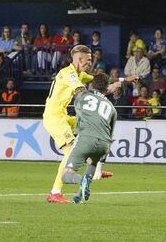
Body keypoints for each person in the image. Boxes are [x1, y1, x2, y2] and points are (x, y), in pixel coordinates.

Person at [43, 45, 111, 204]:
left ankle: (96, 170)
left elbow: (96, 79)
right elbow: (80, 89)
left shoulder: (79, 73)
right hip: (54, 118)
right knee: (70, 151)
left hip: (63, 116)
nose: (90, 63)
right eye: (88, 60)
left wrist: (120, 81)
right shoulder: (69, 74)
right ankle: (55, 192)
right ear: (79, 60)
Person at [61, 73, 117, 204]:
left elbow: (77, 94)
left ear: (92, 85)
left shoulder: (83, 96)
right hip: (104, 144)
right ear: (106, 88)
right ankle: (79, 197)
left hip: (86, 138)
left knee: (66, 175)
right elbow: (111, 135)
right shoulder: (112, 108)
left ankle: (81, 181)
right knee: (92, 162)